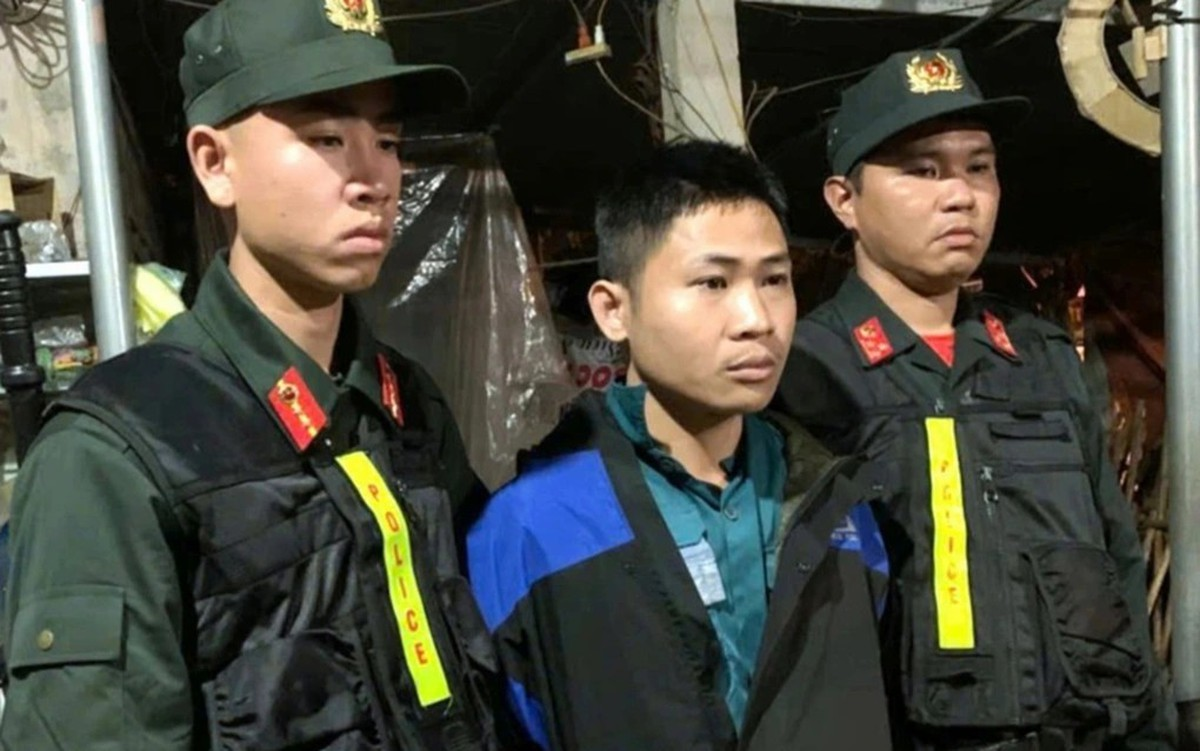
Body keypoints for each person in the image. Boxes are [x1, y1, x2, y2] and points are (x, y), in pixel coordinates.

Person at [0, 1, 515, 748]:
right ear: (215, 163)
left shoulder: (405, 404)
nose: (374, 178)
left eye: (388, 141)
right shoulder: (117, 455)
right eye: (327, 137)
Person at [775, 48, 1174, 749]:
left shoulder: (1045, 360)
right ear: (844, 201)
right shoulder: (804, 372)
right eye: (922, 170)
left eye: (978, 167)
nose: (960, 195)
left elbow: (1117, 561)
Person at [466, 140, 892, 751]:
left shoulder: (839, 505)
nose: (756, 318)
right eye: (712, 282)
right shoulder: (532, 526)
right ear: (613, 310)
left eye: (775, 279)